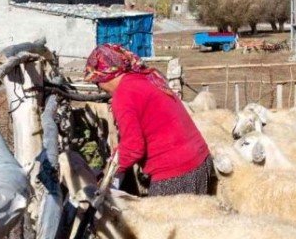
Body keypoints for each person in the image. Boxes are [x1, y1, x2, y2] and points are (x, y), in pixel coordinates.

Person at [84, 44, 212, 196]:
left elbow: (133, 147)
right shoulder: (146, 77)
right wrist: (117, 156)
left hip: (175, 175)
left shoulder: (124, 94)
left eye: (97, 81)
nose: (99, 87)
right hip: (199, 161)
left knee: (162, 219)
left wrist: (109, 174)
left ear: (107, 74)